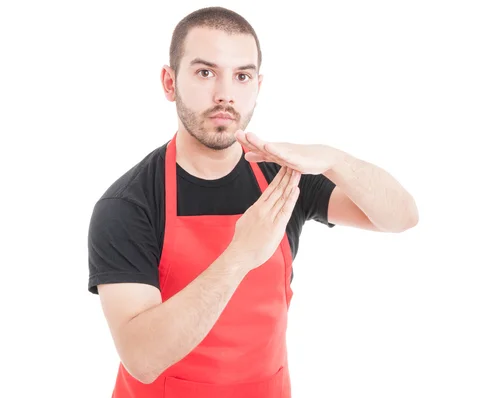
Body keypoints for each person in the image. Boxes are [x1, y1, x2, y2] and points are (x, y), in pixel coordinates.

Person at [87, 6, 419, 398]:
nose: (225, 94)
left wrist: (334, 159)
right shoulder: (129, 204)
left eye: (241, 76)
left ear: (258, 86)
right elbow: (141, 360)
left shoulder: (282, 178)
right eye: (205, 72)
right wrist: (240, 256)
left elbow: (402, 217)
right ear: (169, 82)